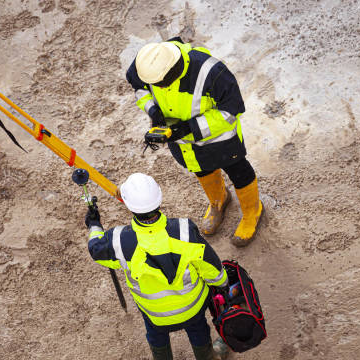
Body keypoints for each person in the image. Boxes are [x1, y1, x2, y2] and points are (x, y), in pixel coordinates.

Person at [126, 37, 262, 247]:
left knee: (239, 172)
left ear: (173, 69)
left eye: (161, 84)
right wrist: (153, 110)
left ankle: (252, 211)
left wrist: (189, 128)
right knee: (201, 168)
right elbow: (139, 89)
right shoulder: (146, 65)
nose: (159, 88)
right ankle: (219, 201)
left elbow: (231, 111)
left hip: (221, 140)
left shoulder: (212, 72)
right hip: (184, 144)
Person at [85, 173, 230, 360]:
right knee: (199, 330)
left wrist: (94, 224)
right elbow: (214, 271)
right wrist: (224, 285)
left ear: (128, 205)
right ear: (159, 199)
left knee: (156, 336)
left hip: (154, 314)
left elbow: (95, 249)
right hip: (193, 308)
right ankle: (208, 357)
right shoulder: (185, 230)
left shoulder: (118, 241)